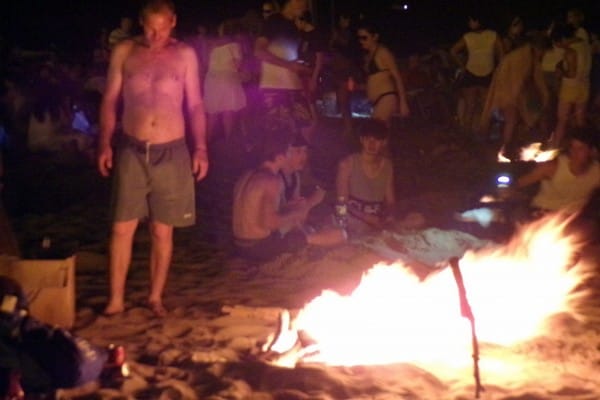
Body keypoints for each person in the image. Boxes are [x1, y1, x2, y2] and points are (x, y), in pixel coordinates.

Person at [97, 0, 208, 317]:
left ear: (173, 22)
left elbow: (196, 105)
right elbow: (110, 100)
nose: (155, 34)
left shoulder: (184, 55)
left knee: (162, 230)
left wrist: (201, 148)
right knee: (121, 228)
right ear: (141, 23)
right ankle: (116, 300)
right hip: (132, 148)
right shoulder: (125, 52)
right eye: (149, 27)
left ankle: (155, 297)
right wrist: (104, 143)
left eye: (162, 27)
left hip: (172, 149)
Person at [232, 132, 345, 262]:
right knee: (339, 235)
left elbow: (255, 212)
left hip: (238, 245)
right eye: (289, 152)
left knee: (314, 229)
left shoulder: (247, 175)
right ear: (280, 157)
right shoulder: (271, 179)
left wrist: (293, 209)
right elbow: (269, 223)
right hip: (259, 248)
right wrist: (299, 211)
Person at [254, 0, 313, 138]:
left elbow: (293, 54)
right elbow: (258, 51)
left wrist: (305, 70)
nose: (306, 5)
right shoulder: (274, 20)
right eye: (303, 2)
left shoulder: (296, 24)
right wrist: (290, 65)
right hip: (274, 86)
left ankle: (299, 157)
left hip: (293, 84)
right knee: (278, 136)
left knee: (306, 126)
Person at [514, 126, 599, 215]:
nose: (574, 152)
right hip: (544, 213)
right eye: (572, 147)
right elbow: (518, 183)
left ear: (592, 151)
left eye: (580, 148)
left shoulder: (596, 172)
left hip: (573, 218)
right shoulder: (553, 166)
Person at [336, 119, 395, 233]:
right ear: (361, 140)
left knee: (416, 219)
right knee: (361, 229)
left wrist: (389, 216)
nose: (371, 144)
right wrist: (364, 218)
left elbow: (391, 202)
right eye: (368, 139)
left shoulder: (387, 166)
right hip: (352, 217)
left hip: (376, 219)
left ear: (383, 142)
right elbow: (341, 203)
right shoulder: (347, 163)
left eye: (376, 140)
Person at [450, 12, 503, 136]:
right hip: (483, 72)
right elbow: (501, 55)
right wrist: (497, 69)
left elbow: (453, 51)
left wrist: (462, 65)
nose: (469, 23)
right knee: (482, 107)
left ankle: (471, 136)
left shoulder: (472, 36)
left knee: (472, 107)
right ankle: (477, 136)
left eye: (471, 21)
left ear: (478, 21)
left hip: (474, 72)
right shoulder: (491, 35)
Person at [357, 21, 409, 128]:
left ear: (375, 37)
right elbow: (374, 79)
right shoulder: (368, 56)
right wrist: (360, 87)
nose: (361, 41)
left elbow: (397, 77)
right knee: (382, 137)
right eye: (359, 38)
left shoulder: (383, 53)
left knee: (374, 132)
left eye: (364, 37)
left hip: (386, 98)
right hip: (378, 100)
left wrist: (403, 102)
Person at [548, 23, 592, 149]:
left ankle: (554, 147)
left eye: (556, 42)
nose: (557, 46)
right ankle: (583, 147)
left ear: (562, 39)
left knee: (562, 120)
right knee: (580, 120)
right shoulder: (584, 44)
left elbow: (572, 73)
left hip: (570, 88)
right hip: (584, 85)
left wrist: (561, 72)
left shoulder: (570, 51)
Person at [203, 19, 247, 142]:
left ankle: (206, 143)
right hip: (228, 79)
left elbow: (206, 63)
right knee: (228, 112)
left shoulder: (211, 45)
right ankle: (228, 140)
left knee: (212, 114)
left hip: (212, 80)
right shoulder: (235, 46)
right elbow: (238, 65)